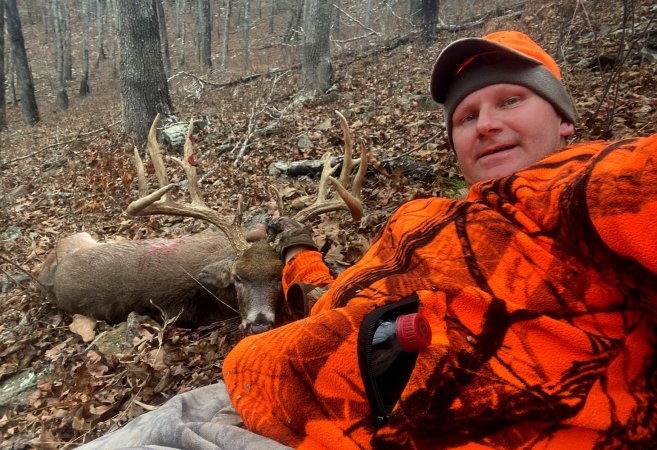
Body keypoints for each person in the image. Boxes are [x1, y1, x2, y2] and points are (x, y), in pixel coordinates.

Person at [79, 31, 656, 449]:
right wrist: (299, 252)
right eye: (466, 115)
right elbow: (344, 302)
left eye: (511, 101)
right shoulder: (427, 218)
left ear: (566, 124)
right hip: (239, 401)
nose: (485, 123)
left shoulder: (593, 191)